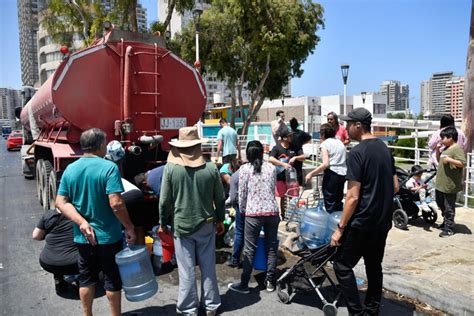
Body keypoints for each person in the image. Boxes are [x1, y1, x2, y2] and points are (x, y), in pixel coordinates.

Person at [55, 128, 136, 316]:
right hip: (109, 237)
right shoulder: (109, 168)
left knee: (86, 279)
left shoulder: (71, 169)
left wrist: (81, 222)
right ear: (101, 145)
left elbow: (60, 202)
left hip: (83, 238)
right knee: (111, 280)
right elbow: (116, 203)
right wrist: (129, 226)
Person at [330, 108, 399, 315]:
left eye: (348, 124)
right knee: (373, 266)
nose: (345, 128)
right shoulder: (385, 149)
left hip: (362, 223)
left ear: (358, 126)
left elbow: (352, 196)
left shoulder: (357, 153)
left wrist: (340, 228)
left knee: (342, 265)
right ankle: (371, 310)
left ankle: (357, 312)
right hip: (382, 222)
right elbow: (395, 186)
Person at [159, 127, 225, 316]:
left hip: (182, 224)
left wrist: (163, 222)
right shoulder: (211, 168)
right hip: (207, 223)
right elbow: (219, 199)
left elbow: (164, 201)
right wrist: (220, 219)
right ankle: (211, 305)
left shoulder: (171, 169)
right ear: (198, 145)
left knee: (186, 269)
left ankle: (188, 308)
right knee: (208, 266)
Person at [228, 140, 280, 294]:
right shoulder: (272, 168)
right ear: (262, 152)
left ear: (248, 154)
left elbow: (242, 194)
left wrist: (242, 211)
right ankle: (270, 282)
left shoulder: (244, 169)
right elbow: (272, 189)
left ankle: (244, 284)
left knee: (249, 249)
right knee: (271, 248)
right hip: (272, 212)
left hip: (253, 213)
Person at [32, 208, 79, 295]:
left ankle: (59, 278)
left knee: (57, 253)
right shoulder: (81, 214)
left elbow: (36, 236)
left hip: (48, 262)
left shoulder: (49, 215)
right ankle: (81, 280)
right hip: (74, 263)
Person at [305, 123, 346, 213]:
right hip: (343, 174)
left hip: (332, 174)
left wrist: (311, 173)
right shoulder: (340, 142)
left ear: (322, 134)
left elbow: (325, 164)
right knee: (338, 201)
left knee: (329, 201)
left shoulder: (325, 144)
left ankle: (330, 224)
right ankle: (339, 222)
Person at [435, 126, 466, 237]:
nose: (441, 140)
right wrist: (438, 151)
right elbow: (440, 161)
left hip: (449, 184)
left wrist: (450, 160)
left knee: (449, 207)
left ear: (451, 137)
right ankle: (446, 222)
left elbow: (462, 163)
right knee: (440, 204)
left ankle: (449, 228)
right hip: (440, 184)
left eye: (443, 138)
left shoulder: (457, 148)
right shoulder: (446, 148)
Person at [268, 129, 305, 218]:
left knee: (293, 197)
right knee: (282, 197)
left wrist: (295, 157)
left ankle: (293, 215)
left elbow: (303, 156)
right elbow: (270, 159)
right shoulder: (276, 148)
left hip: (292, 178)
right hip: (280, 177)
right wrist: (282, 164)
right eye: (289, 136)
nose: (291, 137)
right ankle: (284, 215)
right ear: (284, 138)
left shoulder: (296, 147)